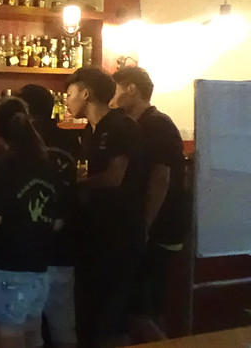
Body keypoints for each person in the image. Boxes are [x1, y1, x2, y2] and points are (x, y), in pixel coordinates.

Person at [65, 67, 146, 347]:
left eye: (70, 94)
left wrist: (74, 186)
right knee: (96, 316)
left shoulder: (122, 125)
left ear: (86, 94)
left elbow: (114, 177)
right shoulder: (90, 130)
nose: (66, 100)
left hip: (119, 234)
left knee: (110, 318)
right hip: (96, 234)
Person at [0, 97, 63, 348]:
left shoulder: (4, 165)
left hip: (7, 269)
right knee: (33, 335)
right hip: (39, 269)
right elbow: (57, 222)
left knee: (6, 338)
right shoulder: (48, 164)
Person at [111, 66, 186, 343]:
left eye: (115, 90)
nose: (111, 98)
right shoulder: (141, 124)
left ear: (131, 89)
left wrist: (145, 224)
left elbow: (161, 177)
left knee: (138, 311)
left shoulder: (157, 124)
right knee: (149, 307)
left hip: (160, 227)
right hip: (157, 226)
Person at [18, 84, 81, 348]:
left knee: (28, 328)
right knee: (63, 325)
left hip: (30, 246)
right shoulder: (71, 140)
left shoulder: (21, 146)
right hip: (64, 240)